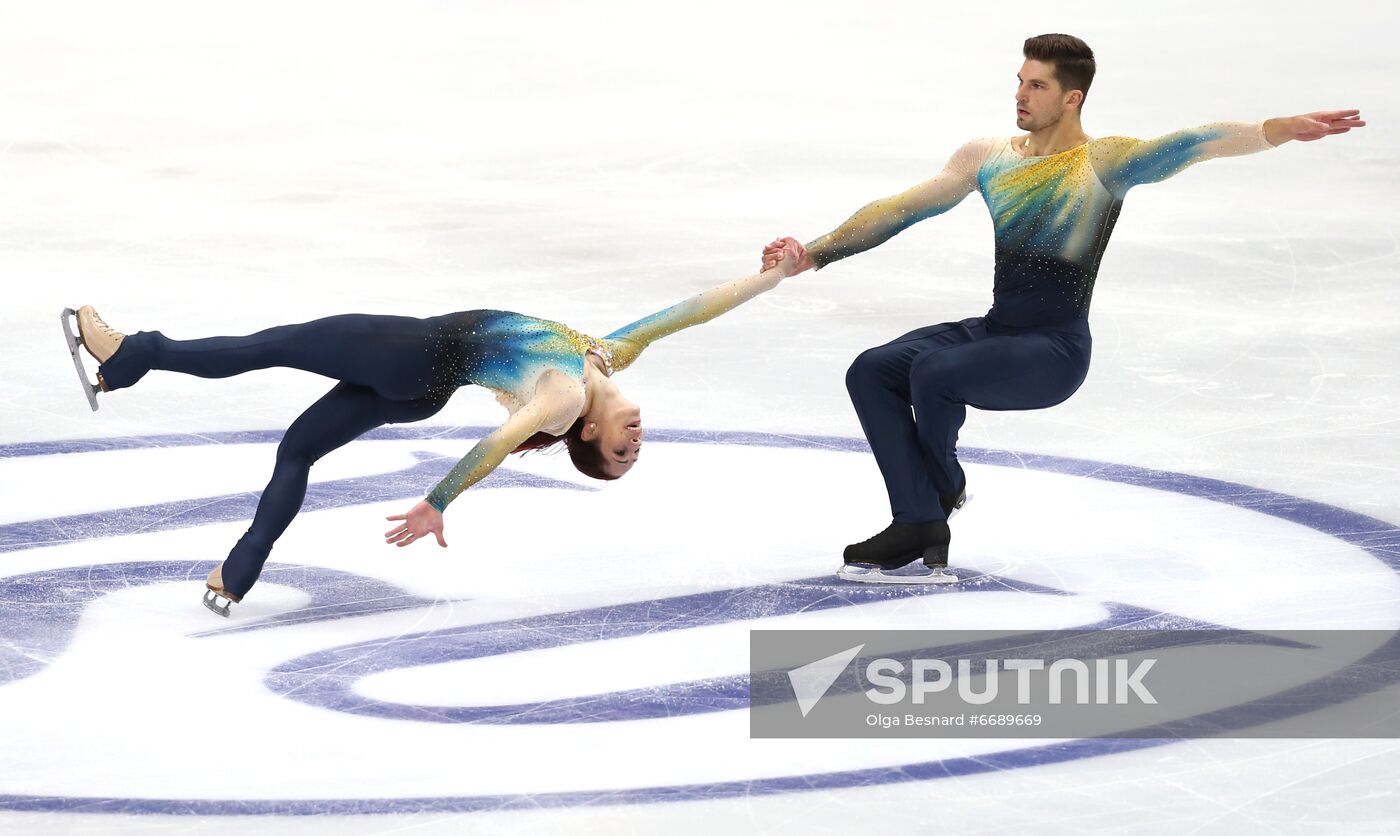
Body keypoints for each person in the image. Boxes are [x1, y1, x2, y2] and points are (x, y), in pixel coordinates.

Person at [760, 33, 1365, 584]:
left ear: (1071, 98)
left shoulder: (1103, 164)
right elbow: (901, 208)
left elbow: (1192, 144)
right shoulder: (988, 156)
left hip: (1052, 352)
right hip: (996, 332)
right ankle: (918, 520)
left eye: (1037, 85)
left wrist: (1275, 129)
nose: (1020, 95)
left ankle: (942, 490)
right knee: (872, 369)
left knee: (933, 372)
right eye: (1020, 81)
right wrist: (814, 252)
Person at [65, 242, 804, 615]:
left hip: (408, 354)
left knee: (274, 345)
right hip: (421, 390)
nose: (632, 444)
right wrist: (772, 275)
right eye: (634, 451)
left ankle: (131, 355)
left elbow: (496, 444)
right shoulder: (608, 354)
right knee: (296, 450)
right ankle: (241, 568)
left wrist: (440, 500)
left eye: (618, 454)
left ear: (586, 437)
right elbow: (695, 308)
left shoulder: (563, 397)